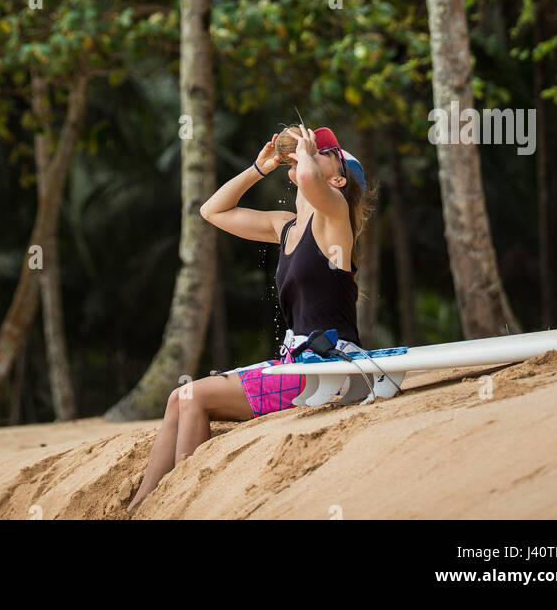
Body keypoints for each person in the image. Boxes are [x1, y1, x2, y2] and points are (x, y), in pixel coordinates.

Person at [126, 123, 375, 514]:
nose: (314, 150)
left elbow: (310, 178)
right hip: (297, 364)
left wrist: (305, 152)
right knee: (179, 398)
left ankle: (185, 506)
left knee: (193, 397)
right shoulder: (286, 227)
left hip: (329, 368)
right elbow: (212, 210)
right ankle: (140, 507)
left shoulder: (335, 218)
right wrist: (259, 168)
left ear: (339, 179)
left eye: (328, 151)